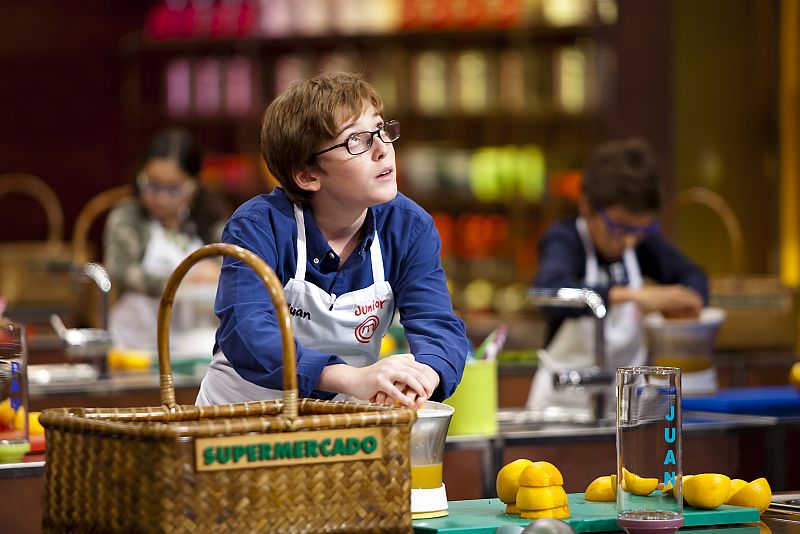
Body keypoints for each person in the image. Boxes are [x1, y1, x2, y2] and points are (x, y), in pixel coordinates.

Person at [196, 72, 469, 410]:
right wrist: (350, 378)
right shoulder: (258, 226)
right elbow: (248, 333)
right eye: (357, 141)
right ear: (308, 175)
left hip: (338, 427)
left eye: (382, 130)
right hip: (240, 425)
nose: (383, 150)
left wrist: (425, 375)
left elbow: (437, 323)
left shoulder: (408, 227)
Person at [527, 138, 709, 418]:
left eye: (639, 229)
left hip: (627, 405)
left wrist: (689, 299)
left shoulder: (641, 243)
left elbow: (693, 275)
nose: (628, 240)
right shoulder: (565, 239)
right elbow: (548, 289)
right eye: (617, 226)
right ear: (587, 205)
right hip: (562, 406)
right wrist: (633, 295)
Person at [104, 128, 230, 353]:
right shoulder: (128, 217)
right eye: (152, 185)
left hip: (196, 342)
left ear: (194, 185)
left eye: (173, 189)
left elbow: (236, 269)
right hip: (136, 342)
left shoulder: (212, 222)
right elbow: (121, 271)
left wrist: (215, 273)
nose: (161, 198)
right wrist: (182, 281)